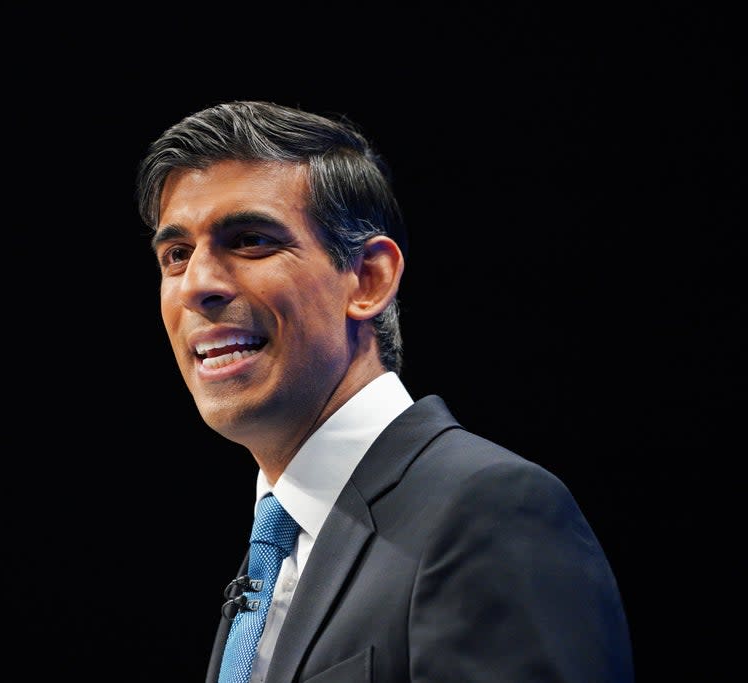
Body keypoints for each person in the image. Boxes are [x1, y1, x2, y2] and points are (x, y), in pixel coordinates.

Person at [135, 100, 634, 682]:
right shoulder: (275, 551)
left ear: (369, 279)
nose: (198, 284)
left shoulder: (490, 509)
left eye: (249, 241)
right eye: (177, 255)